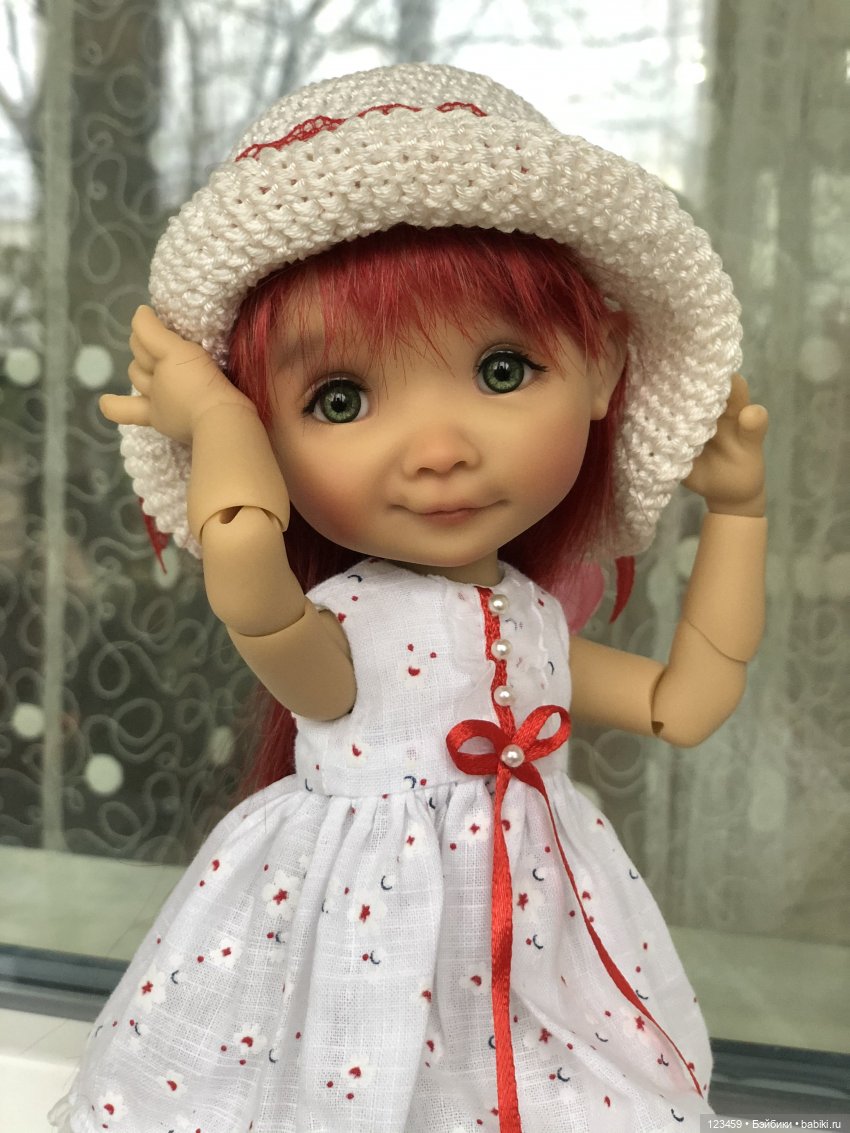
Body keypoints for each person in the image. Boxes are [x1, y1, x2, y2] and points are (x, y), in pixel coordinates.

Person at [50, 63, 767, 1133]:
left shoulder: (531, 622)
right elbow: (248, 577)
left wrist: (740, 513)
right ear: (269, 432)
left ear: (603, 366)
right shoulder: (342, 633)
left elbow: (684, 702)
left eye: (502, 370)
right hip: (361, 948)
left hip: (538, 961)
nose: (437, 450)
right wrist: (223, 428)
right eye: (339, 398)